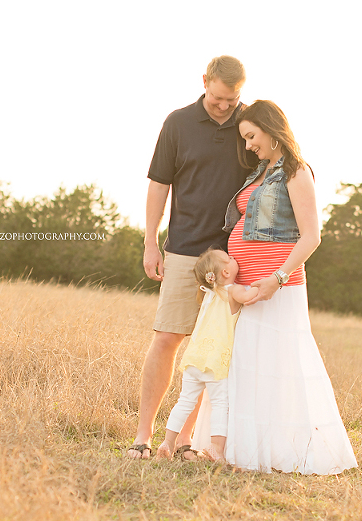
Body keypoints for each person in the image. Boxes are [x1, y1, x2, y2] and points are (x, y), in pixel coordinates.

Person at [195, 99, 358, 474]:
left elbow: (311, 236)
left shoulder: (296, 172)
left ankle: (287, 452)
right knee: (246, 366)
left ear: (270, 129)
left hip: (278, 286)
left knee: (280, 368)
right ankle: (238, 450)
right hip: (250, 286)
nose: (248, 144)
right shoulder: (258, 173)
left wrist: (277, 278)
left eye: (251, 136)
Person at [127, 56, 255, 459]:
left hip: (232, 255)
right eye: (218, 98)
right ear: (205, 83)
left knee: (211, 345)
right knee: (168, 337)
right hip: (183, 249)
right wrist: (151, 241)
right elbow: (159, 184)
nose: (224, 106)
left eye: (231, 100)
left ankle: (185, 441)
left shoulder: (251, 122)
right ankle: (143, 436)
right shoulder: (178, 123)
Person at [156, 248, 259, 462]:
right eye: (229, 259)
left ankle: (167, 441)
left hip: (194, 357)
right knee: (221, 403)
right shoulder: (233, 291)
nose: (234, 258)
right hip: (215, 361)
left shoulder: (209, 294)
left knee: (184, 401)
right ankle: (216, 448)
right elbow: (250, 297)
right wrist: (262, 281)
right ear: (225, 273)